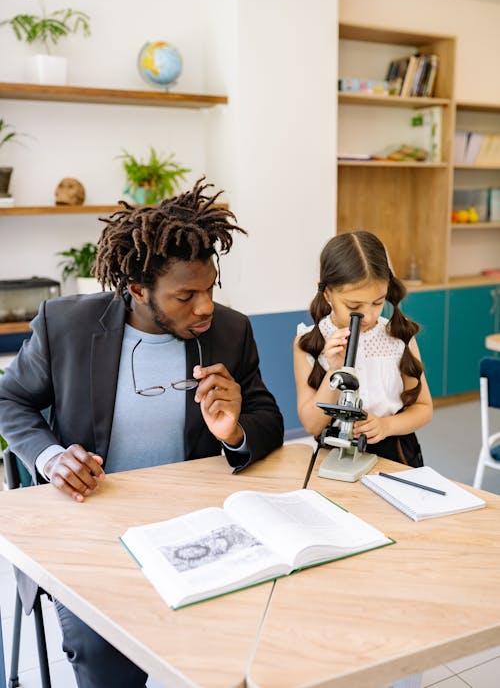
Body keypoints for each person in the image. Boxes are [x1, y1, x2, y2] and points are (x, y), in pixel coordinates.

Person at [0, 179, 284, 688]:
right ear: (136, 290)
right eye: (186, 295)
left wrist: (235, 429)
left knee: (247, 641)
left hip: (199, 525)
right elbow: (9, 398)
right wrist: (49, 458)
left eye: (211, 289)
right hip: (94, 528)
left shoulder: (230, 331)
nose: (205, 307)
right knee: (104, 657)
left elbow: (268, 417)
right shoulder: (64, 324)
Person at [294, 230, 432, 466]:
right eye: (354, 305)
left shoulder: (398, 336)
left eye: (378, 302)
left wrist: (387, 425)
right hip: (334, 452)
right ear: (327, 293)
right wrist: (333, 372)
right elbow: (312, 424)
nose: (368, 316)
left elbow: (423, 408)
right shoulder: (307, 342)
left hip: (395, 451)